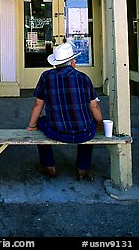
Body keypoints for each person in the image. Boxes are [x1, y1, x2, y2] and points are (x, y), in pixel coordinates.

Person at [27, 41, 103, 181]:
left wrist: (32, 125)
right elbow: (94, 107)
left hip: (57, 131)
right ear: (72, 63)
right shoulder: (84, 78)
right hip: (84, 133)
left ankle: (48, 165)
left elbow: (38, 104)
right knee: (88, 124)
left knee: (41, 122)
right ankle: (82, 168)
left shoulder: (46, 77)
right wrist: (99, 125)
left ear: (56, 63)